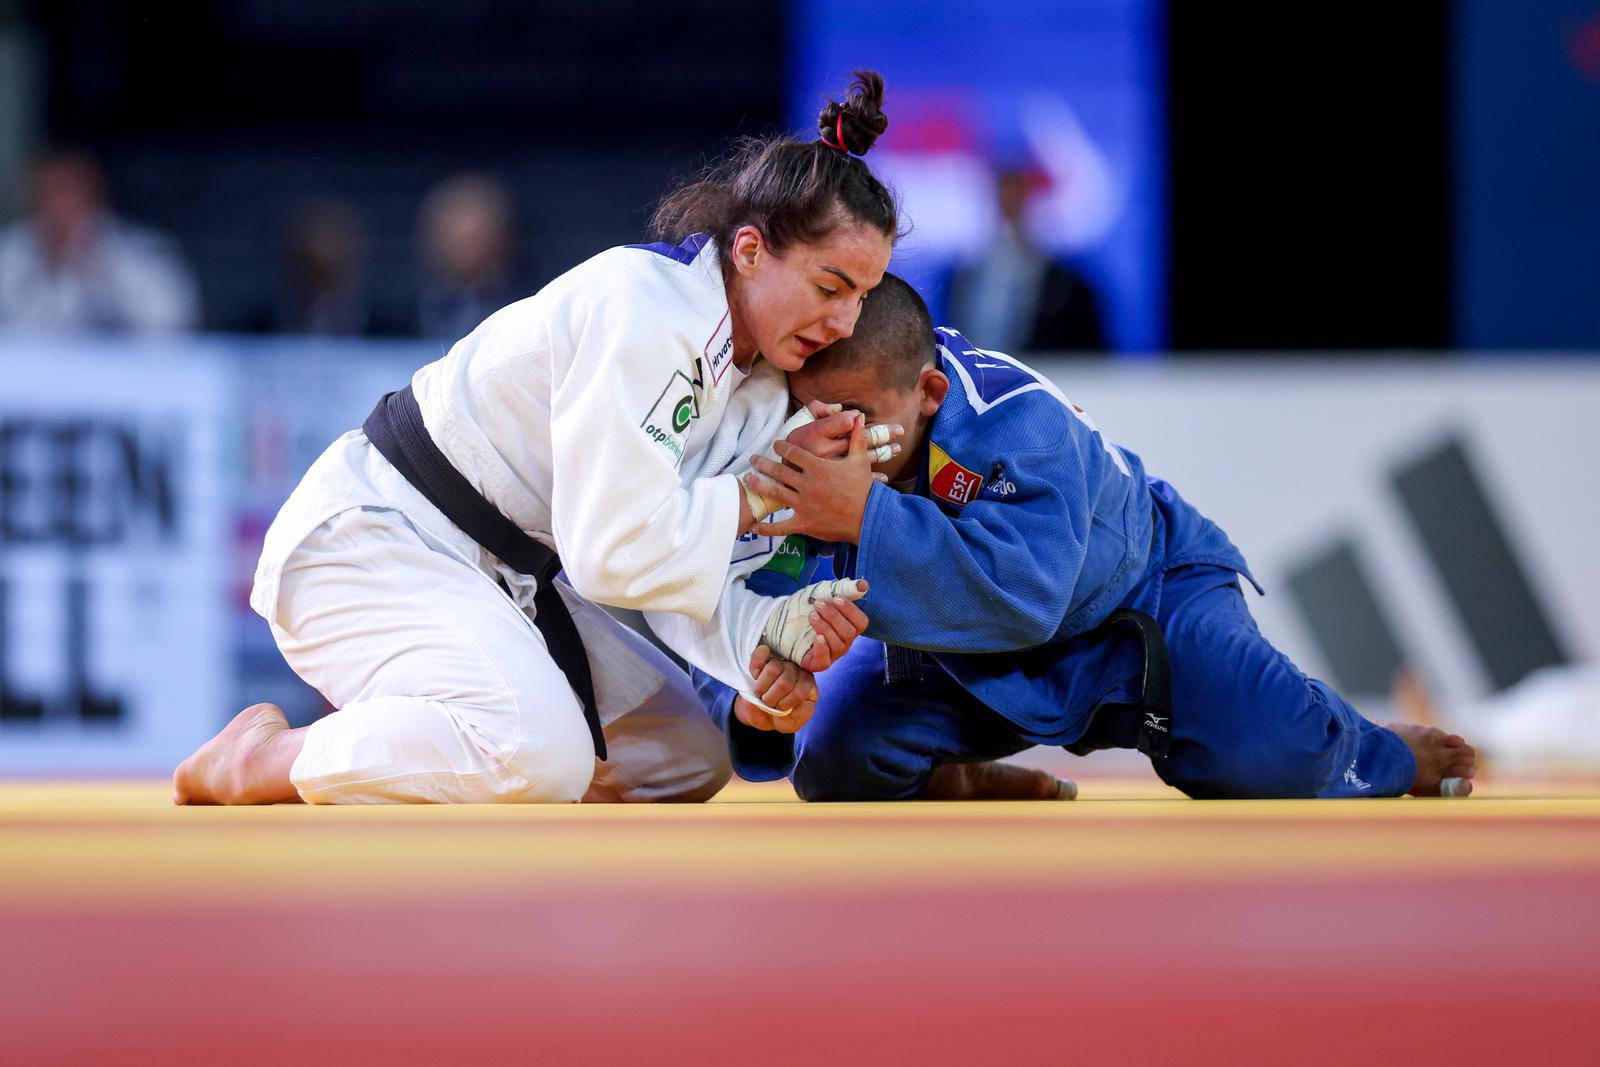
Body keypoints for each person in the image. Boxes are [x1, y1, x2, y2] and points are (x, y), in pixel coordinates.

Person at [173, 71, 900, 806]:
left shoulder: (755, 382)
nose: (844, 323)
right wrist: (754, 496)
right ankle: (263, 756)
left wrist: (764, 644)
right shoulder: (645, 310)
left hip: (506, 574)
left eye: (863, 297)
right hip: (376, 537)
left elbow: (682, 567)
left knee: (689, 754)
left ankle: (492, 761)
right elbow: (612, 551)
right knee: (534, 751)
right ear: (749, 250)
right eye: (830, 286)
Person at [688, 274, 1479, 801]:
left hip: (1137, 603)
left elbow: (1029, 601)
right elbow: (732, 587)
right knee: (832, 760)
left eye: (854, 415)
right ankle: (960, 779)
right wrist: (753, 700)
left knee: (1281, 762)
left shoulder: (1014, 418)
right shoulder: (791, 442)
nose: (826, 434)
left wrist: (864, 516)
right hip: (950, 651)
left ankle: (1383, 749)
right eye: (808, 410)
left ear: (928, 391)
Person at [0, 149, 199, 334]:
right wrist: (46, 268)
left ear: (93, 198)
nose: (59, 209)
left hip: (114, 368)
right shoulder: (11, 250)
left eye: (69, 195)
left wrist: (99, 265)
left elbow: (171, 319)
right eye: (50, 196)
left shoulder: (135, 250)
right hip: (30, 366)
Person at [946, 167, 1105, 354]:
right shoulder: (963, 280)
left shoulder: (1070, 288)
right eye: (1004, 204)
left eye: (1017, 204)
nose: (1010, 215)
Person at [415, 174, 526, 341]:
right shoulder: (413, 310)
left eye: (472, 240)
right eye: (448, 236)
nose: (457, 249)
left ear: (500, 239)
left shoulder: (524, 306)